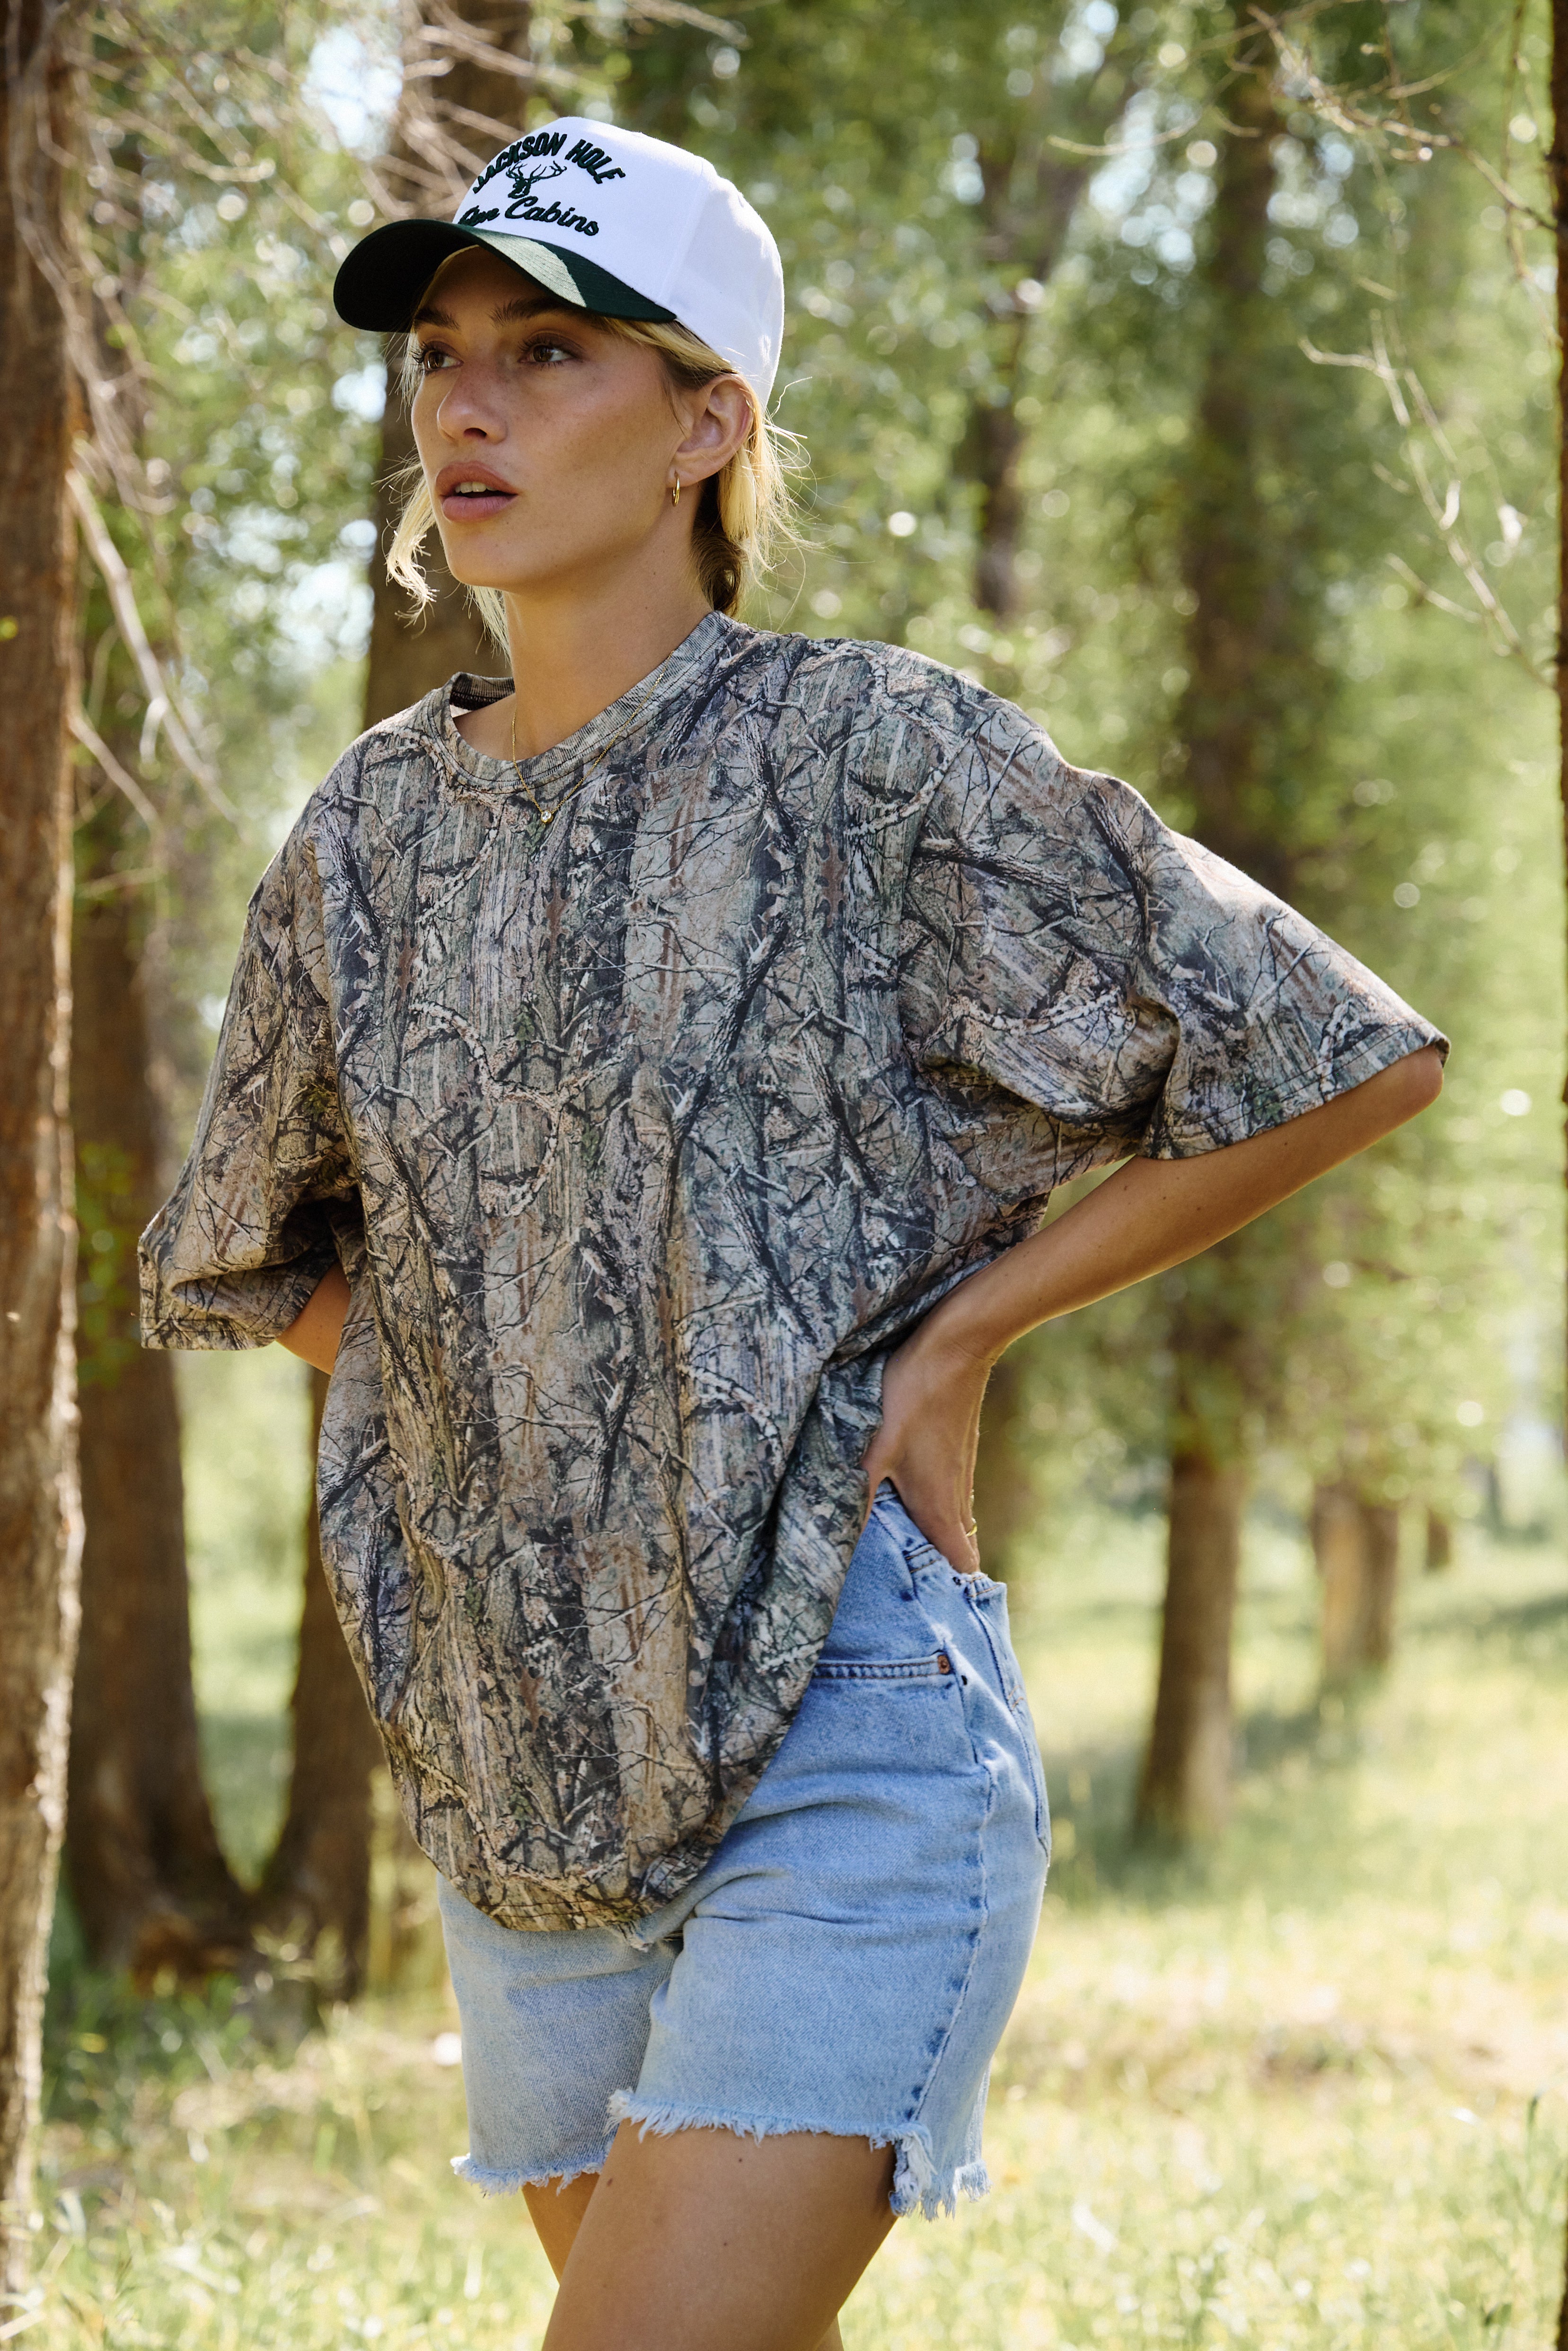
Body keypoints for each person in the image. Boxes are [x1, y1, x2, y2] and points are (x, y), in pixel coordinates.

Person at [140, 116, 1445, 2351]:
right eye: (442, 353)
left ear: (704, 426)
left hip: (845, 1719)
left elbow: (1338, 1053)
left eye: (549, 351)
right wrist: (521, 1433)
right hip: (524, 1767)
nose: (465, 405)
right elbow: (258, 1249)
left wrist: (952, 1345)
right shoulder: (362, 836)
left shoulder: (868, 755)